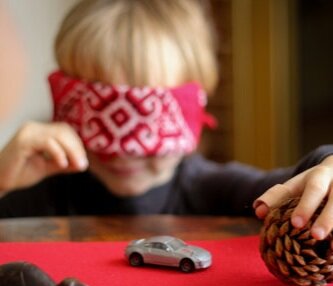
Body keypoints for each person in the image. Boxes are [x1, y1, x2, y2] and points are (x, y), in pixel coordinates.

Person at [0, 0, 332, 242]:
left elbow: (295, 185)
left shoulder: (215, 192)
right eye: (98, 113)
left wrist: (325, 167)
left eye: (146, 118)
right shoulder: (33, 197)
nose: (123, 152)